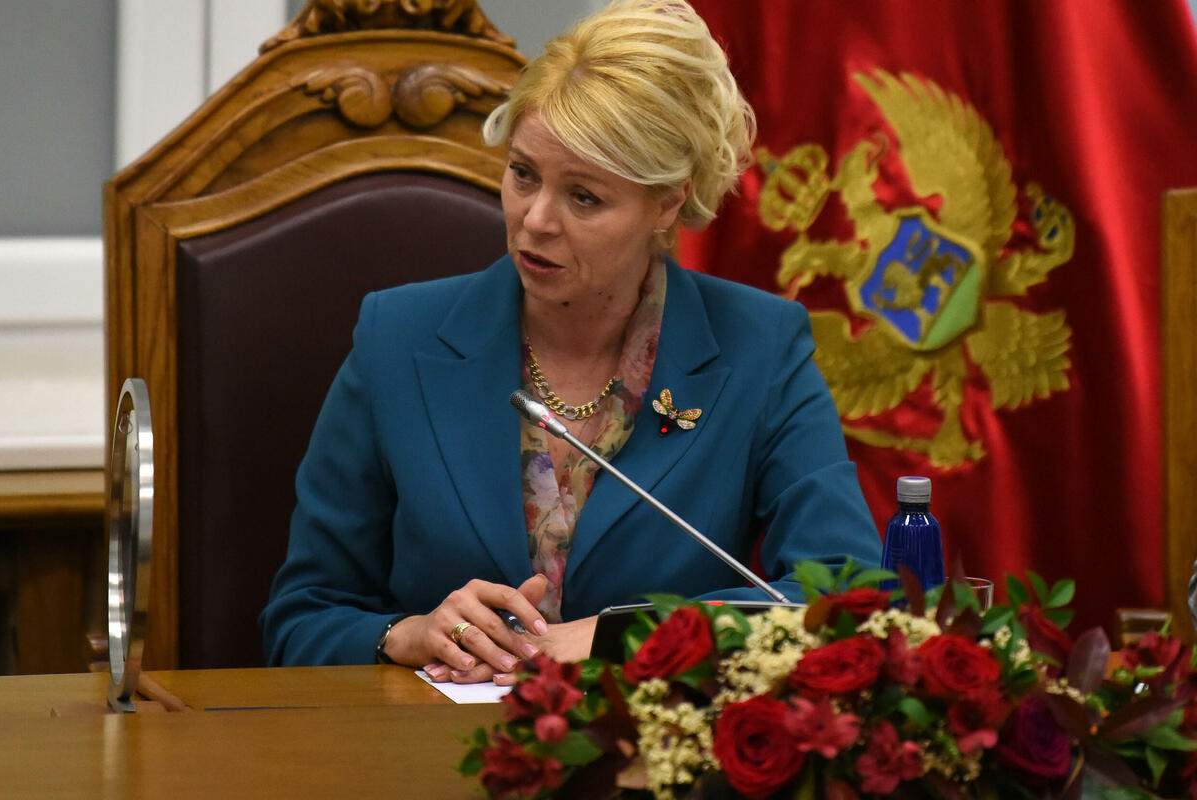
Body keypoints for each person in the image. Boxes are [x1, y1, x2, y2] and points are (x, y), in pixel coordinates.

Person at [260, 0, 881, 683]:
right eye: (523, 174)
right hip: (429, 738)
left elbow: (848, 597)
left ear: (667, 203)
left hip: (654, 739)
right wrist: (406, 634)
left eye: (584, 197)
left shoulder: (759, 349)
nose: (535, 220)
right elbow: (300, 620)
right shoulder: (396, 339)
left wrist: (627, 635)